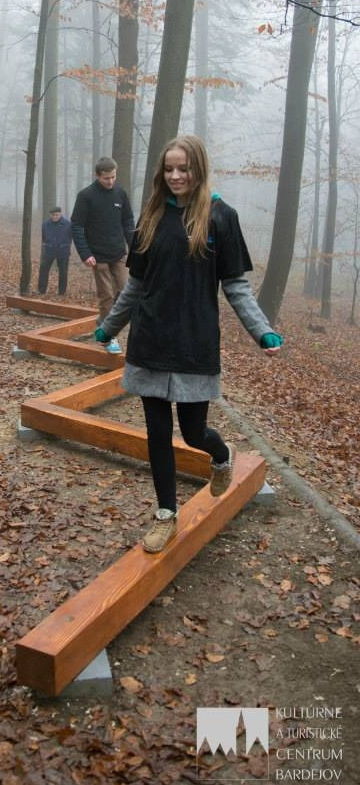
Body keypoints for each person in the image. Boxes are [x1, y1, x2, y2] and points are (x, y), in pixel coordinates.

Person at [94, 135, 284, 553]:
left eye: (184, 168)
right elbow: (136, 285)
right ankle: (166, 514)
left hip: (195, 343)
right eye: (169, 169)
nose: (176, 176)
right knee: (157, 434)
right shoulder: (151, 215)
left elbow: (236, 285)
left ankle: (221, 455)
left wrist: (261, 330)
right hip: (150, 340)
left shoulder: (221, 217)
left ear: (198, 168)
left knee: (195, 433)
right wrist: (110, 327)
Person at [71, 157, 135, 353]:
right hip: (97, 256)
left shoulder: (120, 194)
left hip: (118, 252)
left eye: (113, 177)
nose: (111, 181)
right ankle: (109, 337)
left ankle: (104, 322)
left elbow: (128, 221)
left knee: (126, 291)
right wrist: (85, 254)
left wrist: (134, 247)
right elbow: (77, 226)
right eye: (106, 178)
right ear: (97, 176)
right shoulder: (86, 196)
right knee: (106, 295)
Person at [37, 206, 72, 297]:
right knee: (43, 270)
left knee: (63, 272)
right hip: (49, 250)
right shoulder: (45, 224)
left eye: (56, 215)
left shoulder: (68, 224)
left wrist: (66, 245)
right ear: (50, 215)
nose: (55, 217)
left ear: (60, 214)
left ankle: (61, 292)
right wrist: (46, 246)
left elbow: (70, 237)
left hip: (63, 251)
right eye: (53, 215)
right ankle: (41, 290)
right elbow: (44, 237)